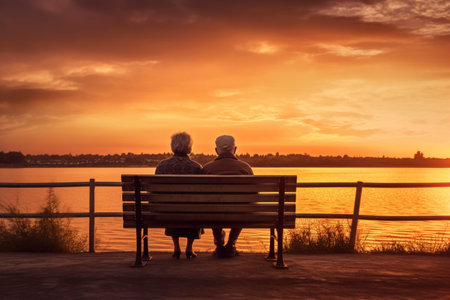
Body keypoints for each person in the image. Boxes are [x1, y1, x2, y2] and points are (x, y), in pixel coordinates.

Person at [203, 135, 253, 258]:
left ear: (216, 151)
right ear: (235, 149)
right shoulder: (245, 168)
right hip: (239, 214)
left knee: (212, 207)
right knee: (243, 207)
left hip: (213, 214)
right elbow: (253, 196)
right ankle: (231, 244)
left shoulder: (207, 169)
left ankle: (219, 245)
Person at [155, 132, 203, 259]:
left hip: (167, 212)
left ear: (172, 146)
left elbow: (155, 192)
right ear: (189, 147)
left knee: (172, 207)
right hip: (191, 213)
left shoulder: (162, 166)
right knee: (194, 207)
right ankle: (189, 248)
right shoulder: (196, 167)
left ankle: (176, 248)